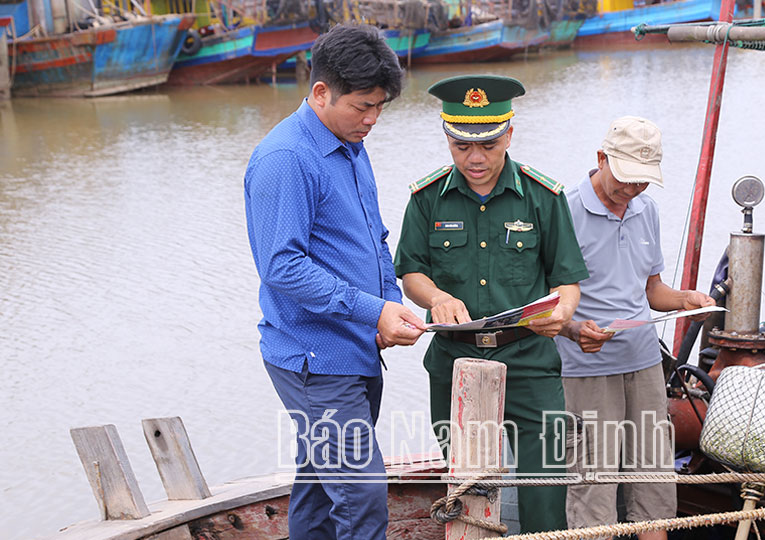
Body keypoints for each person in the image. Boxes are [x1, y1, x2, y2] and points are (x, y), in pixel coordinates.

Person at [243, 25, 426, 540]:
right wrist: (372, 310)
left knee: (321, 489)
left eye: (380, 107)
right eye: (362, 106)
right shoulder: (286, 159)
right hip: (315, 359)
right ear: (321, 92)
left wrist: (389, 305)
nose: (372, 119)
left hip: (359, 347)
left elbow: (373, 237)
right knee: (363, 496)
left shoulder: (349, 142)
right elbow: (281, 267)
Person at [393, 75, 590, 533]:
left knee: (546, 487)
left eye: (488, 144)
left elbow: (567, 281)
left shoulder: (543, 198)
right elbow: (410, 272)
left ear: (509, 133)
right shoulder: (426, 199)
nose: (475, 158)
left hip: (529, 359)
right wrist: (437, 298)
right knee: (467, 489)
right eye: (461, 147)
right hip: (455, 360)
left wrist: (562, 313)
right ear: (447, 137)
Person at [557, 117, 715, 539]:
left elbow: (652, 289)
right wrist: (573, 328)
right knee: (594, 486)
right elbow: (545, 302)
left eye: (642, 182)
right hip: (587, 369)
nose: (630, 191)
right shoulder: (563, 208)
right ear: (601, 158)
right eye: (624, 180)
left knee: (655, 480)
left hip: (644, 362)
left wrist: (687, 301)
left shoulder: (648, 210)